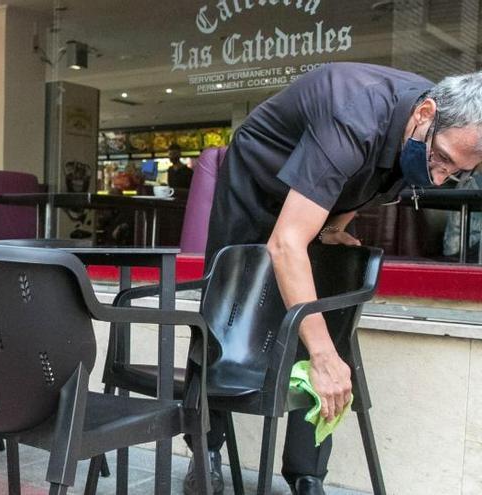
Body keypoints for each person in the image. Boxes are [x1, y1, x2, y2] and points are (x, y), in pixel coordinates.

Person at [184, 63, 482, 495]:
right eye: (440, 160)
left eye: (455, 173)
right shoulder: (354, 115)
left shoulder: (423, 124)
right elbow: (286, 243)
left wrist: (332, 226)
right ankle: (205, 449)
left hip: (319, 192)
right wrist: (319, 356)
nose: (439, 176)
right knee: (227, 311)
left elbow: (367, 180)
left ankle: (307, 473)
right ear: (425, 114)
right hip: (259, 180)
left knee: (327, 314)